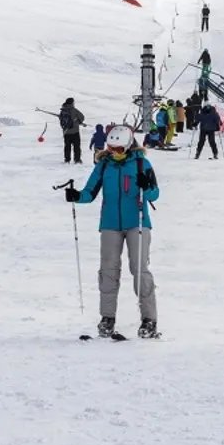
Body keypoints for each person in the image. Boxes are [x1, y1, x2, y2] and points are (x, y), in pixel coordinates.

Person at [67, 127, 161, 339]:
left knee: (139, 269)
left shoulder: (141, 164)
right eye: (110, 148)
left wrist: (146, 187)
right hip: (110, 224)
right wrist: (76, 196)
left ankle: (149, 320)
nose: (113, 151)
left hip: (137, 223)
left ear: (128, 145)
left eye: (118, 148)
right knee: (108, 270)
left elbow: (154, 195)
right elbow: (89, 193)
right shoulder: (104, 165)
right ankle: (107, 318)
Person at [59, 98, 85, 164]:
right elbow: (82, 117)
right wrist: (78, 121)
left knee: (67, 146)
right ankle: (77, 160)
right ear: (72, 103)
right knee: (76, 146)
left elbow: (61, 120)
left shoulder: (63, 110)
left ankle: (67, 160)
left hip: (66, 132)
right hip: (75, 132)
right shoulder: (74, 110)